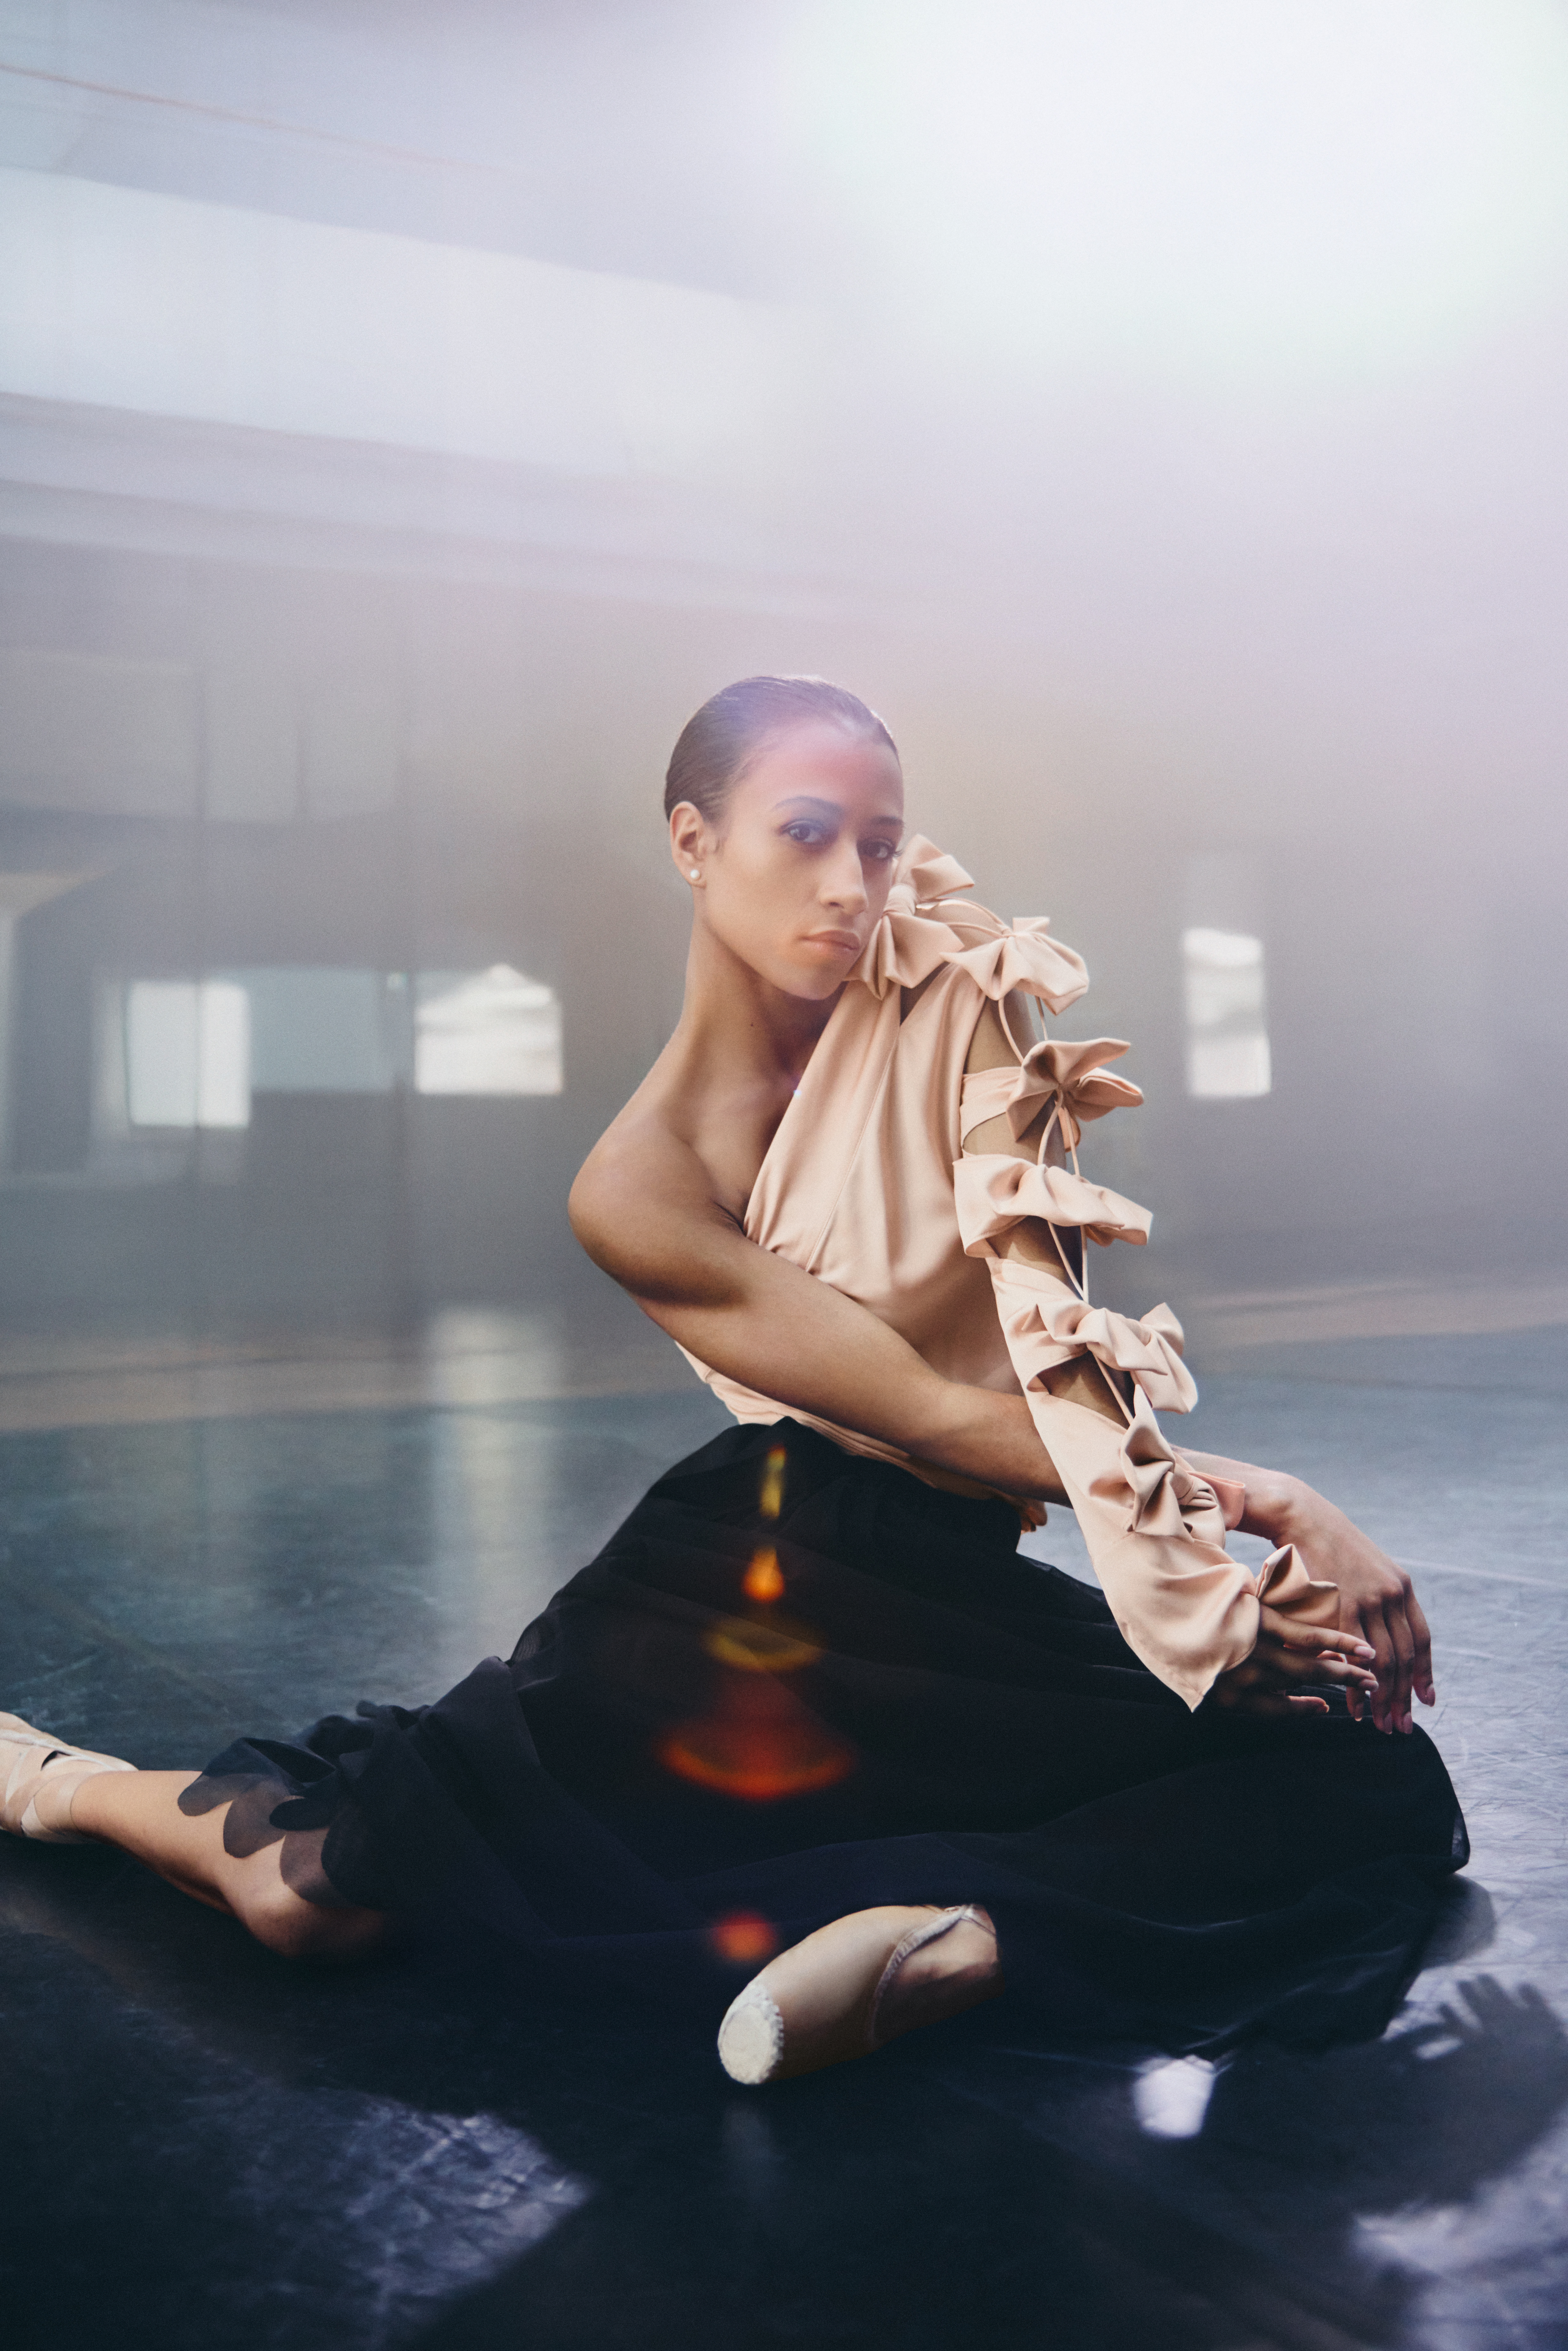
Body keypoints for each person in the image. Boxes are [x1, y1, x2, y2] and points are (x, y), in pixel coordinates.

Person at [1, 676, 1462, 2087]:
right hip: (745, 1581)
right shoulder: (636, 1186)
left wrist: (1189, 1596)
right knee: (322, 1899)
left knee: (1370, 1774)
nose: (852, 882)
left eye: (880, 844)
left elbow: (1042, 1329)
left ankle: (955, 1945)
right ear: (693, 842)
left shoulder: (940, 1003)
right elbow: (933, 1407)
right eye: (805, 831)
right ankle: (60, 1779)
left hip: (946, 1595)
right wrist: (1268, 1506)